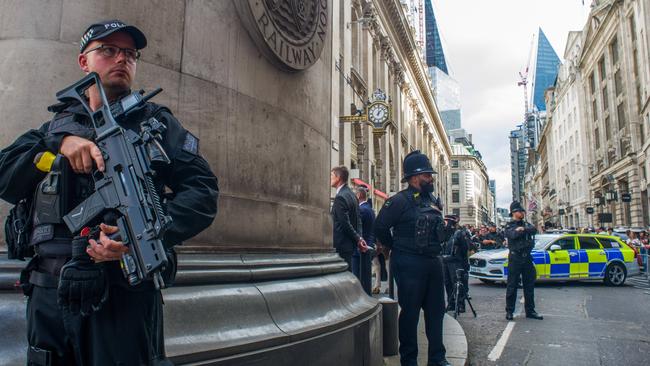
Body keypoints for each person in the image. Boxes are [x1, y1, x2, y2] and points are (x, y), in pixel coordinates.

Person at [0, 20, 219, 365]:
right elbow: (5, 171)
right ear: (83, 62)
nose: (122, 59)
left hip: (122, 293)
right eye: (108, 50)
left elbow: (203, 191)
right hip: (48, 293)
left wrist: (149, 234)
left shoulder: (158, 124)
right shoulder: (54, 127)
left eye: (130, 53)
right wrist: (58, 150)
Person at [374, 150, 454, 366]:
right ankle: (409, 360)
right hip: (409, 263)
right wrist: (393, 247)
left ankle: (438, 359)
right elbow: (380, 226)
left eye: (431, 174)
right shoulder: (399, 201)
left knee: (436, 312)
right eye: (427, 175)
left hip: (433, 262)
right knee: (410, 314)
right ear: (414, 177)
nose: (431, 178)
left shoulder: (433, 201)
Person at [504, 201, 542, 321]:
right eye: (520, 211)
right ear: (514, 213)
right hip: (515, 258)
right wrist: (520, 230)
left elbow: (533, 230)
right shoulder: (509, 225)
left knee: (529, 285)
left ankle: (530, 311)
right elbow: (512, 235)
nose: (523, 213)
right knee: (512, 286)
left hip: (527, 258)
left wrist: (522, 229)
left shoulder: (526, 224)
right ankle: (509, 311)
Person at [330, 166, 367, 270]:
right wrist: (359, 238)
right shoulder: (352, 195)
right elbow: (358, 220)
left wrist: (358, 238)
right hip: (350, 246)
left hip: (341, 245)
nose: (330, 178)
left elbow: (344, 223)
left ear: (338, 178)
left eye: (331, 175)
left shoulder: (340, 197)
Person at [442, 215, 470, 313]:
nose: (444, 223)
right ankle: (451, 303)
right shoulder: (444, 233)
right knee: (447, 283)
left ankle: (461, 304)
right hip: (445, 261)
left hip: (455, 262)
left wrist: (463, 262)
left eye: (446, 222)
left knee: (457, 283)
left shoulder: (459, 234)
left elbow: (465, 248)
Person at [354, 186, 375, 295]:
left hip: (361, 249)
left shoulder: (361, 210)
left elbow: (357, 228)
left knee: (358, 277)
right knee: (366, 276)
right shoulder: (370, 209)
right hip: (368, 245)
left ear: (358, 196)